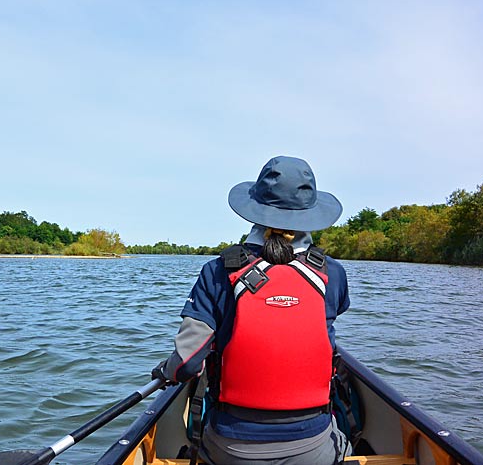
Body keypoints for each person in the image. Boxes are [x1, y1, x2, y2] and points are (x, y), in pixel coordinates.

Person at [151, 156, 352, 465]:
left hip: (232, 448)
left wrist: (167, 371)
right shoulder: (333, 273)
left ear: (255, 211)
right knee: (346, 439)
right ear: (310, 214)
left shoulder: (217, 271)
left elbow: (187, 365)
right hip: (312, 446)